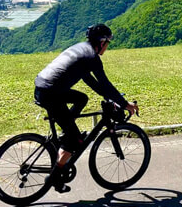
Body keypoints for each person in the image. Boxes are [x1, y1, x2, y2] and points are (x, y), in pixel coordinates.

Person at [34, 24, 139, 193]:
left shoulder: (82, 49)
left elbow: (91, 82)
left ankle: (66, 131)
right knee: (74, 140)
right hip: (51, 94)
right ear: (102, 42)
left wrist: (109, 97)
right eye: (108, 43)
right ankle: (54, 177)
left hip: (42, 87)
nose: (107, 47)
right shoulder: (92, 57)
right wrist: (125, 104)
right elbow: (105, 83)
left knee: (81, 98)